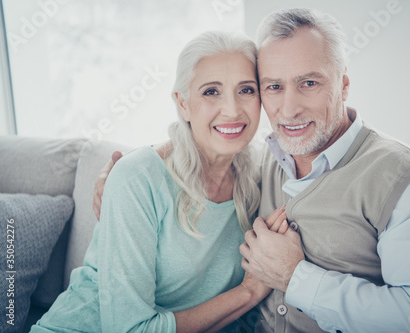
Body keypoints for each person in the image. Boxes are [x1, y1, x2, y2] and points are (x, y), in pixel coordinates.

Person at [94, 8, 410, 333]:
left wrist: (296, 278)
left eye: (309, 83)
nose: (289, 109)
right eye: (273, 86)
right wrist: (126, 184)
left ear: (344, 84)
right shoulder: (258, 161)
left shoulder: (407, 180)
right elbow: (199, 149)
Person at [30, 30, 288, 333]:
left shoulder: (262, 174)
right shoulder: (137, 178)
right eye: (210, 92)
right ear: (183, 104)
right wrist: (247, 293)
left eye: (246, 90)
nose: (231, 109)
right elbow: (130, 330)